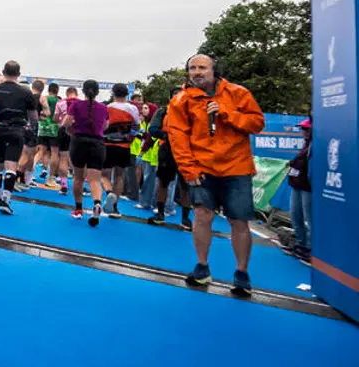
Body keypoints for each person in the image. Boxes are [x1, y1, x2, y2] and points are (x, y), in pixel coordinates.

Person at [166, 53, 266, 296]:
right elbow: (178, 138)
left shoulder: (238, 93)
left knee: (239, 221)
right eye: (192, 68)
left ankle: (241, 273)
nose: (197, 72)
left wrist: (227, 113)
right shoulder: (180, 100)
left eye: (202, 67)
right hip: (201, 169)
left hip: (237, 168)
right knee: (202, 216)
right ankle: (202, 267)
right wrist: (189, 170)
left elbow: (257, 123)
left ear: (214, 70)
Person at [0, 62, 37, 215]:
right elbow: (33, 117)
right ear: (18, 74)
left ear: (4, 72)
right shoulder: (26, 92)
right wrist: (32, 131)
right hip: (16, 131)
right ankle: (6, 199)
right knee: (11, 166)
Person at [62, 79, 110, 226]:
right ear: (97, 92)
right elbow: (106, 126)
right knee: (94, 179)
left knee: (78, 178)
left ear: (83, 91)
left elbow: (66, 123)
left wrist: (71, 132)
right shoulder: (103, 108)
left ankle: (78, 209)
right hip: (97, 144)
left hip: (79, 142)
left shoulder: (76, 105)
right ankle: (96, 203)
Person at [148, 86, 190, 228]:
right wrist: (168, 135)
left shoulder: (192, 112)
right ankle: (160, 213)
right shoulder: (163, 111)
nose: (179, 97)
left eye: (181, 94)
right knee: (163, 183)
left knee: (186, 185)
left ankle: (185, 219)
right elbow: (153, 129)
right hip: (167, 150)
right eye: (176, 95)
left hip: (186, 151)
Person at [101, 84, 141, 217]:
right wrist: (131, 138)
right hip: (124, 145)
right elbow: (137, 126)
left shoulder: (107, 108)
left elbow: (102, 126)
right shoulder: (133, 108)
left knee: (104, 175)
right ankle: (115, 207)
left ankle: (108, 193)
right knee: (119, 176)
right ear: (126, 94)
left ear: (113, 93)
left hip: (107, 144)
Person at [287, 118, 314, 262]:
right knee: (295, 214)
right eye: (302, 129)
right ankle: (300, 244)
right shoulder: (305, 145)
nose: (303, 132)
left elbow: (305, 165)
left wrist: (294, 163)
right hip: (297, 184)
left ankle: (310, 248)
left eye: (306, 129)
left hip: (308, 187)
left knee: (309, 218)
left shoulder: (314, 145)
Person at [35, 82, 61, 186]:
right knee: (54, 153)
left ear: (48, 89)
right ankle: (50, 178)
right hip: (54, 128)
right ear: (57, 91)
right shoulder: (59, 101)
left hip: (42, 127)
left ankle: (28, 175)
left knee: (41, 152)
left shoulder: (43, 98)